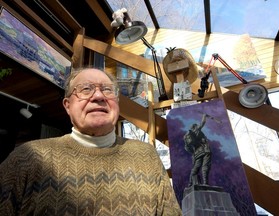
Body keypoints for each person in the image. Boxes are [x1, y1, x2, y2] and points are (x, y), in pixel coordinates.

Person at [0, 67, 181, 215]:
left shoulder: (146, 155)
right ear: (67, 105)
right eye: (86, 89)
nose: (98, 96)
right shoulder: (28, 158)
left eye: (107, 89)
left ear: (116, 103)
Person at [183, 113, 212, 187]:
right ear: (195, 127)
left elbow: (186, 148)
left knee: (195, 168)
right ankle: (205, 183)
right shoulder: (197, 130)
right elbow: (202, 123)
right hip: (205, 150)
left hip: (197, 153)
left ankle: (190, 183)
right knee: (205, 166)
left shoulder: (188, 136)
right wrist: (204, 116)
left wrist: (193, 152)